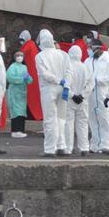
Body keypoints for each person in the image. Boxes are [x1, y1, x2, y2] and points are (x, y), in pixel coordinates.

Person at [34, 29, 70, 157]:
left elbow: (44, 74)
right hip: (62, 88)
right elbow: (68, 72)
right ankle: (61, 146)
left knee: (50, 119)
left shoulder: (40, 56)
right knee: (61, 119)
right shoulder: (63, 54)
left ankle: (50, 149)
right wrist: (65, 84)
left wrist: (58, 80)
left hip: (49, 88)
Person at [62, 46, 95, 155]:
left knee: (68, 123)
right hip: (83, 101)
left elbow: (65, 83)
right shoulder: (85, 67)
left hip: (70, 100)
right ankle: (84, 148)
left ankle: (68, 148)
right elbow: (91, 84)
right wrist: (82, 95)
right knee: (83, 124)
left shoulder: (68, 67)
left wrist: (72, 95)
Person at [85, 41, 109, 154]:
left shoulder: (108, 60)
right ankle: (94, 144)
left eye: (91, 48)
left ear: (98, 49)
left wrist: (97, 80)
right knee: (92, 119)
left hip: (102, 92)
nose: (89, 50)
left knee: (104, 118)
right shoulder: (88, 61)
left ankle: (106, 144)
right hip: (90, 93)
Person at [17, 30, 44, 122]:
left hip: (31, 75)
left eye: (22, 39)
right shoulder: (31, 45)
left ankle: (32, 115)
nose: (20, 42)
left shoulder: (29, 45)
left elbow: (20, 56)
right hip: (32, 74)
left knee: (31, 97)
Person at [5, 50, 32, 138]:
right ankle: (15, 130)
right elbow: (9, 77)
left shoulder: (24, 67)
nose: (20, 57)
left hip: (22, 92)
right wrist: (21, 79)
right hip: (14, 92)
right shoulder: (12, 67)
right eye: (18, 55)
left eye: (21, 55)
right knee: (16, 111)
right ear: (15, 57)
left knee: (22, 112)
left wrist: (28, 78)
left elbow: (29, 79)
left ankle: (21, 130)